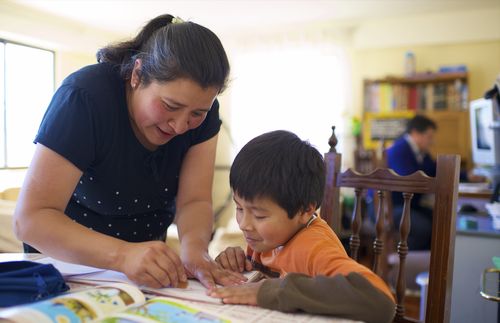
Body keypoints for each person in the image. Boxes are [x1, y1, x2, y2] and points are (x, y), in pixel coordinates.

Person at [13, 14, 245, 289]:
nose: (181, 126)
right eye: (170, 106)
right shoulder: (84, 98)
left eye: (197, 113)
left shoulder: (204, 116)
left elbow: (194, 200)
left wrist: (194, 251)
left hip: (142, 272)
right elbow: (31, 219)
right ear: (137, 74)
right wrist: (123, 255)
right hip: (65, 266)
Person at [209, 130, 395, 323]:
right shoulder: (266, 239)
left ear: (305, 210)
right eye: (239, 208)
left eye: (259, 215)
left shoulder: (314, 247)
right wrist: (237, 262)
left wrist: (272, 292)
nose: (244, 224)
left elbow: (381, 301)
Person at [386, 115, 484, 250]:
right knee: (425, 228)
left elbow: (433, 170)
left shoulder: (420, 152)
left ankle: (429, 260)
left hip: (407, 204)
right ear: (415, 133)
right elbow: (408, 180)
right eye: (429, 136)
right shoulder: (399, 149)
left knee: (442, 221)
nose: (431, 141)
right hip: (390, 207)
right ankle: (407, 260)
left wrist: (466, 175)